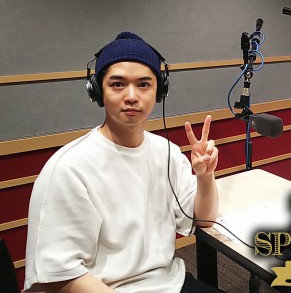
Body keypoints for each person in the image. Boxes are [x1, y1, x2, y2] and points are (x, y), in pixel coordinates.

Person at [24, 32, 221, 293]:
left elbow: (204, 220)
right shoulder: (68, 168)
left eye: (143, 84)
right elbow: (61, 274)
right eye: (117, 84)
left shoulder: (167, 153)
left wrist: (205, 176)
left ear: (159, 90)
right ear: (97, 91)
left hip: (169, 282)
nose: (131, 95)